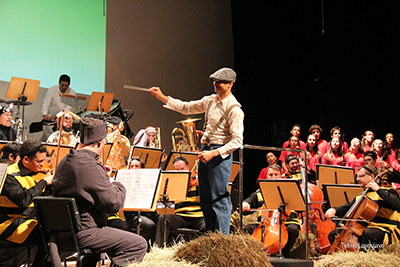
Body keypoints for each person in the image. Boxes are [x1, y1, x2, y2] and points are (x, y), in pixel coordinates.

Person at [149, 67, 244, 235]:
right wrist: (162, 97)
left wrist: (213, 153)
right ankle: (210, 235)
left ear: (230, 84)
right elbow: (186, 107)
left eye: (220, 82)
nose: (215, 84)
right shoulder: (210, 100)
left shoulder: (235, 109)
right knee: (205, 198)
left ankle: (222, 238)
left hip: (218, 155)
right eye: (214, 81)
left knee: (219, 198)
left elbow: (237, 141)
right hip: (206, 152)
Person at [52, 116, 147, 266]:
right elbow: (113, 204)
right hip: (84, 232)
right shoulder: (90, 165)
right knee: (138, 244)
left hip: (62, 231)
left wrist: (102, 176)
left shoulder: (67, 160)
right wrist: (117, 184)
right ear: (102, 142)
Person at [0, 139, 53, 267]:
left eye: (44, 160)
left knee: (58, 230)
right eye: (39, 161)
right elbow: (24, 200)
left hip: (28, 218)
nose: (42, 165)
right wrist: (44, 182)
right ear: (26, 160)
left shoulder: (32, 172)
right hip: (9, 222)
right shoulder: (9, 175)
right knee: (48, 235)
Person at [325, 164, 400, 251]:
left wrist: (378, 189)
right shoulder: (361, 196)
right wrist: (334, 210)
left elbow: (397, 204)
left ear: (372, 176)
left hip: (386, 229)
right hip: (365, 228)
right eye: (357, 177)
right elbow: (347, 207)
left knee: (367, 234)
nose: (357, 179)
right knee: (333, 234)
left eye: (361, 176)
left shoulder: (387, 191)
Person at [155, 156, 205, 247]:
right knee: (163, 219)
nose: (180, 172)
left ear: (188, 167)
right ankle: (159, 249)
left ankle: (201, 250)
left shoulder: (199, 181)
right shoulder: (174, 183)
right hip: (181, 217)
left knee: (208, 225)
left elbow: (205, 199)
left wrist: (200, 184)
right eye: (177, 170)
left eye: (182, 169)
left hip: (198, 217)